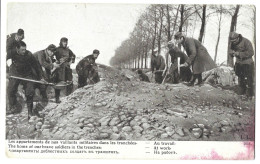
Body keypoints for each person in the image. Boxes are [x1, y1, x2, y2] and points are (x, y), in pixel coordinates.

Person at [7, 41, 45, 118]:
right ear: (17, 49)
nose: (24, 51)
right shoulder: (11, 53)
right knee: (11, 89)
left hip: (27, 74)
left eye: (25, 49)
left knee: (30, 91)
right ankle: (13, 107)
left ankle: (30, 112)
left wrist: (41, 77)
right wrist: (6, 71)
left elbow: (37, 66)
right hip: (15, 73)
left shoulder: (29, 54)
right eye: (22, 50)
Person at [229, 32, 255, 97]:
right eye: (232, 41)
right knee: (240, 78)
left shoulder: (246, 41)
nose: (234, 42)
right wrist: (232, 54)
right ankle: (241, 92)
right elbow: (230, 51)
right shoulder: (232, 43)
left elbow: (251, 52)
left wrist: (239, 54)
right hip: (238, 63)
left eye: (234, 41)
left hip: (247, 63)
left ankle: (250, 95)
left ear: (238, 38)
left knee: (249, 79)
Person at [52, 37, 76, 103]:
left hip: (67, 68)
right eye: (64, 42)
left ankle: (69, 98)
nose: (65, 43)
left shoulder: (68, 50)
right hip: (59, 69)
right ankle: (57, 99)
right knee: (58, 83)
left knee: (69, 83)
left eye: (66, 42)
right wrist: (55, 61)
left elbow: (73, 55)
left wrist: (71, 61)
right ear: (61, 42)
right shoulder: (57, 49)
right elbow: (51, 55)